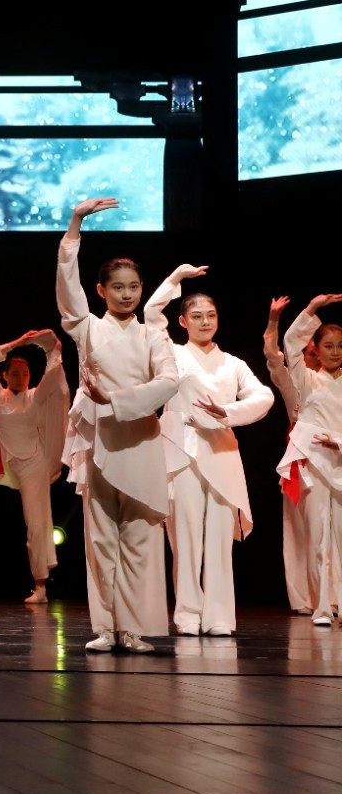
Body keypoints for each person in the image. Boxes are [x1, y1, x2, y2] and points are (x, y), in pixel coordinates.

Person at [57, 197, 179, 653]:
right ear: (101, 290)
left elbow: (170, 381)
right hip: (101, 440)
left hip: (141, 437)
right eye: (118, 287)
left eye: (133, 287)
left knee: (141, 537)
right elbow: (66, 284)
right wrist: (75, 224)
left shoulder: (153, 335)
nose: (127, 294)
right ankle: (107, 627)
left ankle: (133, 627)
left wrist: (117, 399)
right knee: (102, 536)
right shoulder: (87, 327)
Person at [143, 265, 272, 636]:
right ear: (183, 321)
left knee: (218, 538)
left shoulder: (233, 363)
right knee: (184, 537)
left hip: (221, 452)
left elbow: (264, 396)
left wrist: (227, 412)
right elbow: (151, 313)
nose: (205, 322)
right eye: (197, 316)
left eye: (211, 316)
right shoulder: (171, 353)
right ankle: (187, 613)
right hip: (181, 450)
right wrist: (175, 278)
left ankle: (219, 617)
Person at [0, 328, 69, 604]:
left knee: (36, 524)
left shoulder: (34, 396)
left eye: (26, 373)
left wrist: (52, 350)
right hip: (12, 463)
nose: (21, 377)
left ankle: (40, 587)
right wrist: (18, 343)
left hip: (35, 463)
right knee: (37, 523)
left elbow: (54, 379)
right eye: (16, 373)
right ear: (5, 376)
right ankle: (41, 582)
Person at [278, 292, 342, 626]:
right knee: (317, 538)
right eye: (328, 346)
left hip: (341, 462)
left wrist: (338, 441)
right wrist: (312, 309)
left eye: (340, 346)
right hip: (315, 465)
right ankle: (321, 607)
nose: (335, 352)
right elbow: (290, 343)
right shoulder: (307, 379)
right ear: (316, 348)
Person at [266, 296, 323, 615]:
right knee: (299, 531)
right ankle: (303, 598)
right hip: (300, 457)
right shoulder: (294, 380)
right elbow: (273, 356)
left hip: (333, 455)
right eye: (308, 352)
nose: (313, 356)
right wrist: (274, 321)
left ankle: (330, 594)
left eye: (316, 351)